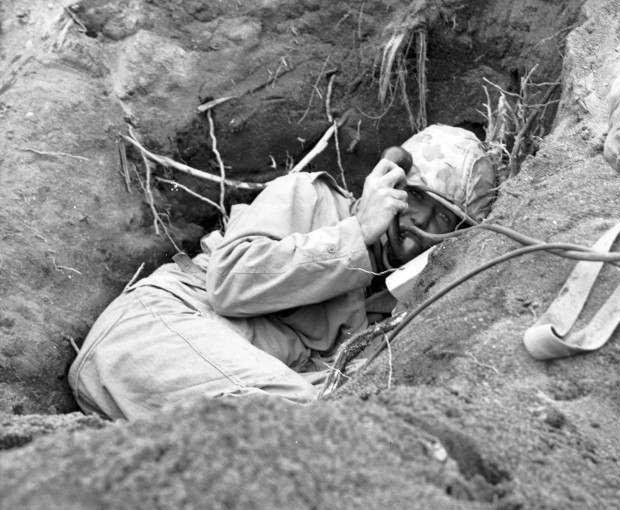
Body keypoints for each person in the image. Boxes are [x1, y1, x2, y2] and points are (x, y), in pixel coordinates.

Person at [68, 124, 497, 420]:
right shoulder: (310, 197)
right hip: (156, 331)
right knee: (304, 426)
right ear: (394, 185)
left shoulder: (391, 301)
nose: (430, 231)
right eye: (428, 207)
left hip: (187, 387)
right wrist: (357, 234)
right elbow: (230, 282)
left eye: (448, 223)